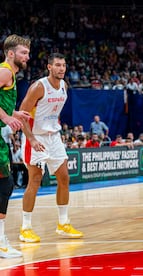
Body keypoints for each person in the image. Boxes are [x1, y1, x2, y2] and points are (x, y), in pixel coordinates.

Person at [19, 53, 83, 243]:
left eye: (63, 65)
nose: (61, 68)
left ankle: (63, 224)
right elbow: (23, 114)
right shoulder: (39, 87)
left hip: (53, 137)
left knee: (64, 177)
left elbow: (52, 113)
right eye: (57, 65)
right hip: (35, 137)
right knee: (35, 180)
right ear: (49, 67)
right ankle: (25, 227)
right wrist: (31, 139)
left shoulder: (64, 86)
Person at [0, 34, 31, 258]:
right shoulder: (5, 71)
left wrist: (14, 113)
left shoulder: (10, 74)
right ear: (11, 53)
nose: (27, 57)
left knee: (4, 185)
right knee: (5, 185)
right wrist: (6, 118)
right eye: (23, 53)